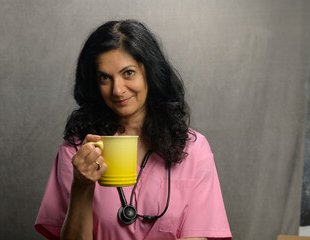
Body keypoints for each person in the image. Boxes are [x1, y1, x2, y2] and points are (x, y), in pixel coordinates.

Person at [34, 19, 232, 240]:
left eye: (128, 73)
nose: (117, 90)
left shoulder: (194, 148)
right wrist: (82, 186)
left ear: (150, 72)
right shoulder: (78, 151)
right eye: (104, 78)